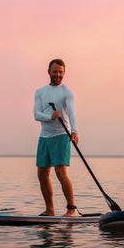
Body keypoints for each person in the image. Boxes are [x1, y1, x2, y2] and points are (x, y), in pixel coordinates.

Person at [33, 59, 79, 217]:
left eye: (61, 72)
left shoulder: (67, 91)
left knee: (60, 172)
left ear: (64, 72)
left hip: (61, 135)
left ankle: (71, 209)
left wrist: (74, 131)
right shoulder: (40, 92)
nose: (58, 74)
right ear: (48, 72)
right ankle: (50, 210)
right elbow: (36, 114)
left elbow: (72, 112)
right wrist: (50, 116)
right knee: (42, 175)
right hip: (44, 137)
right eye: (55, 71)